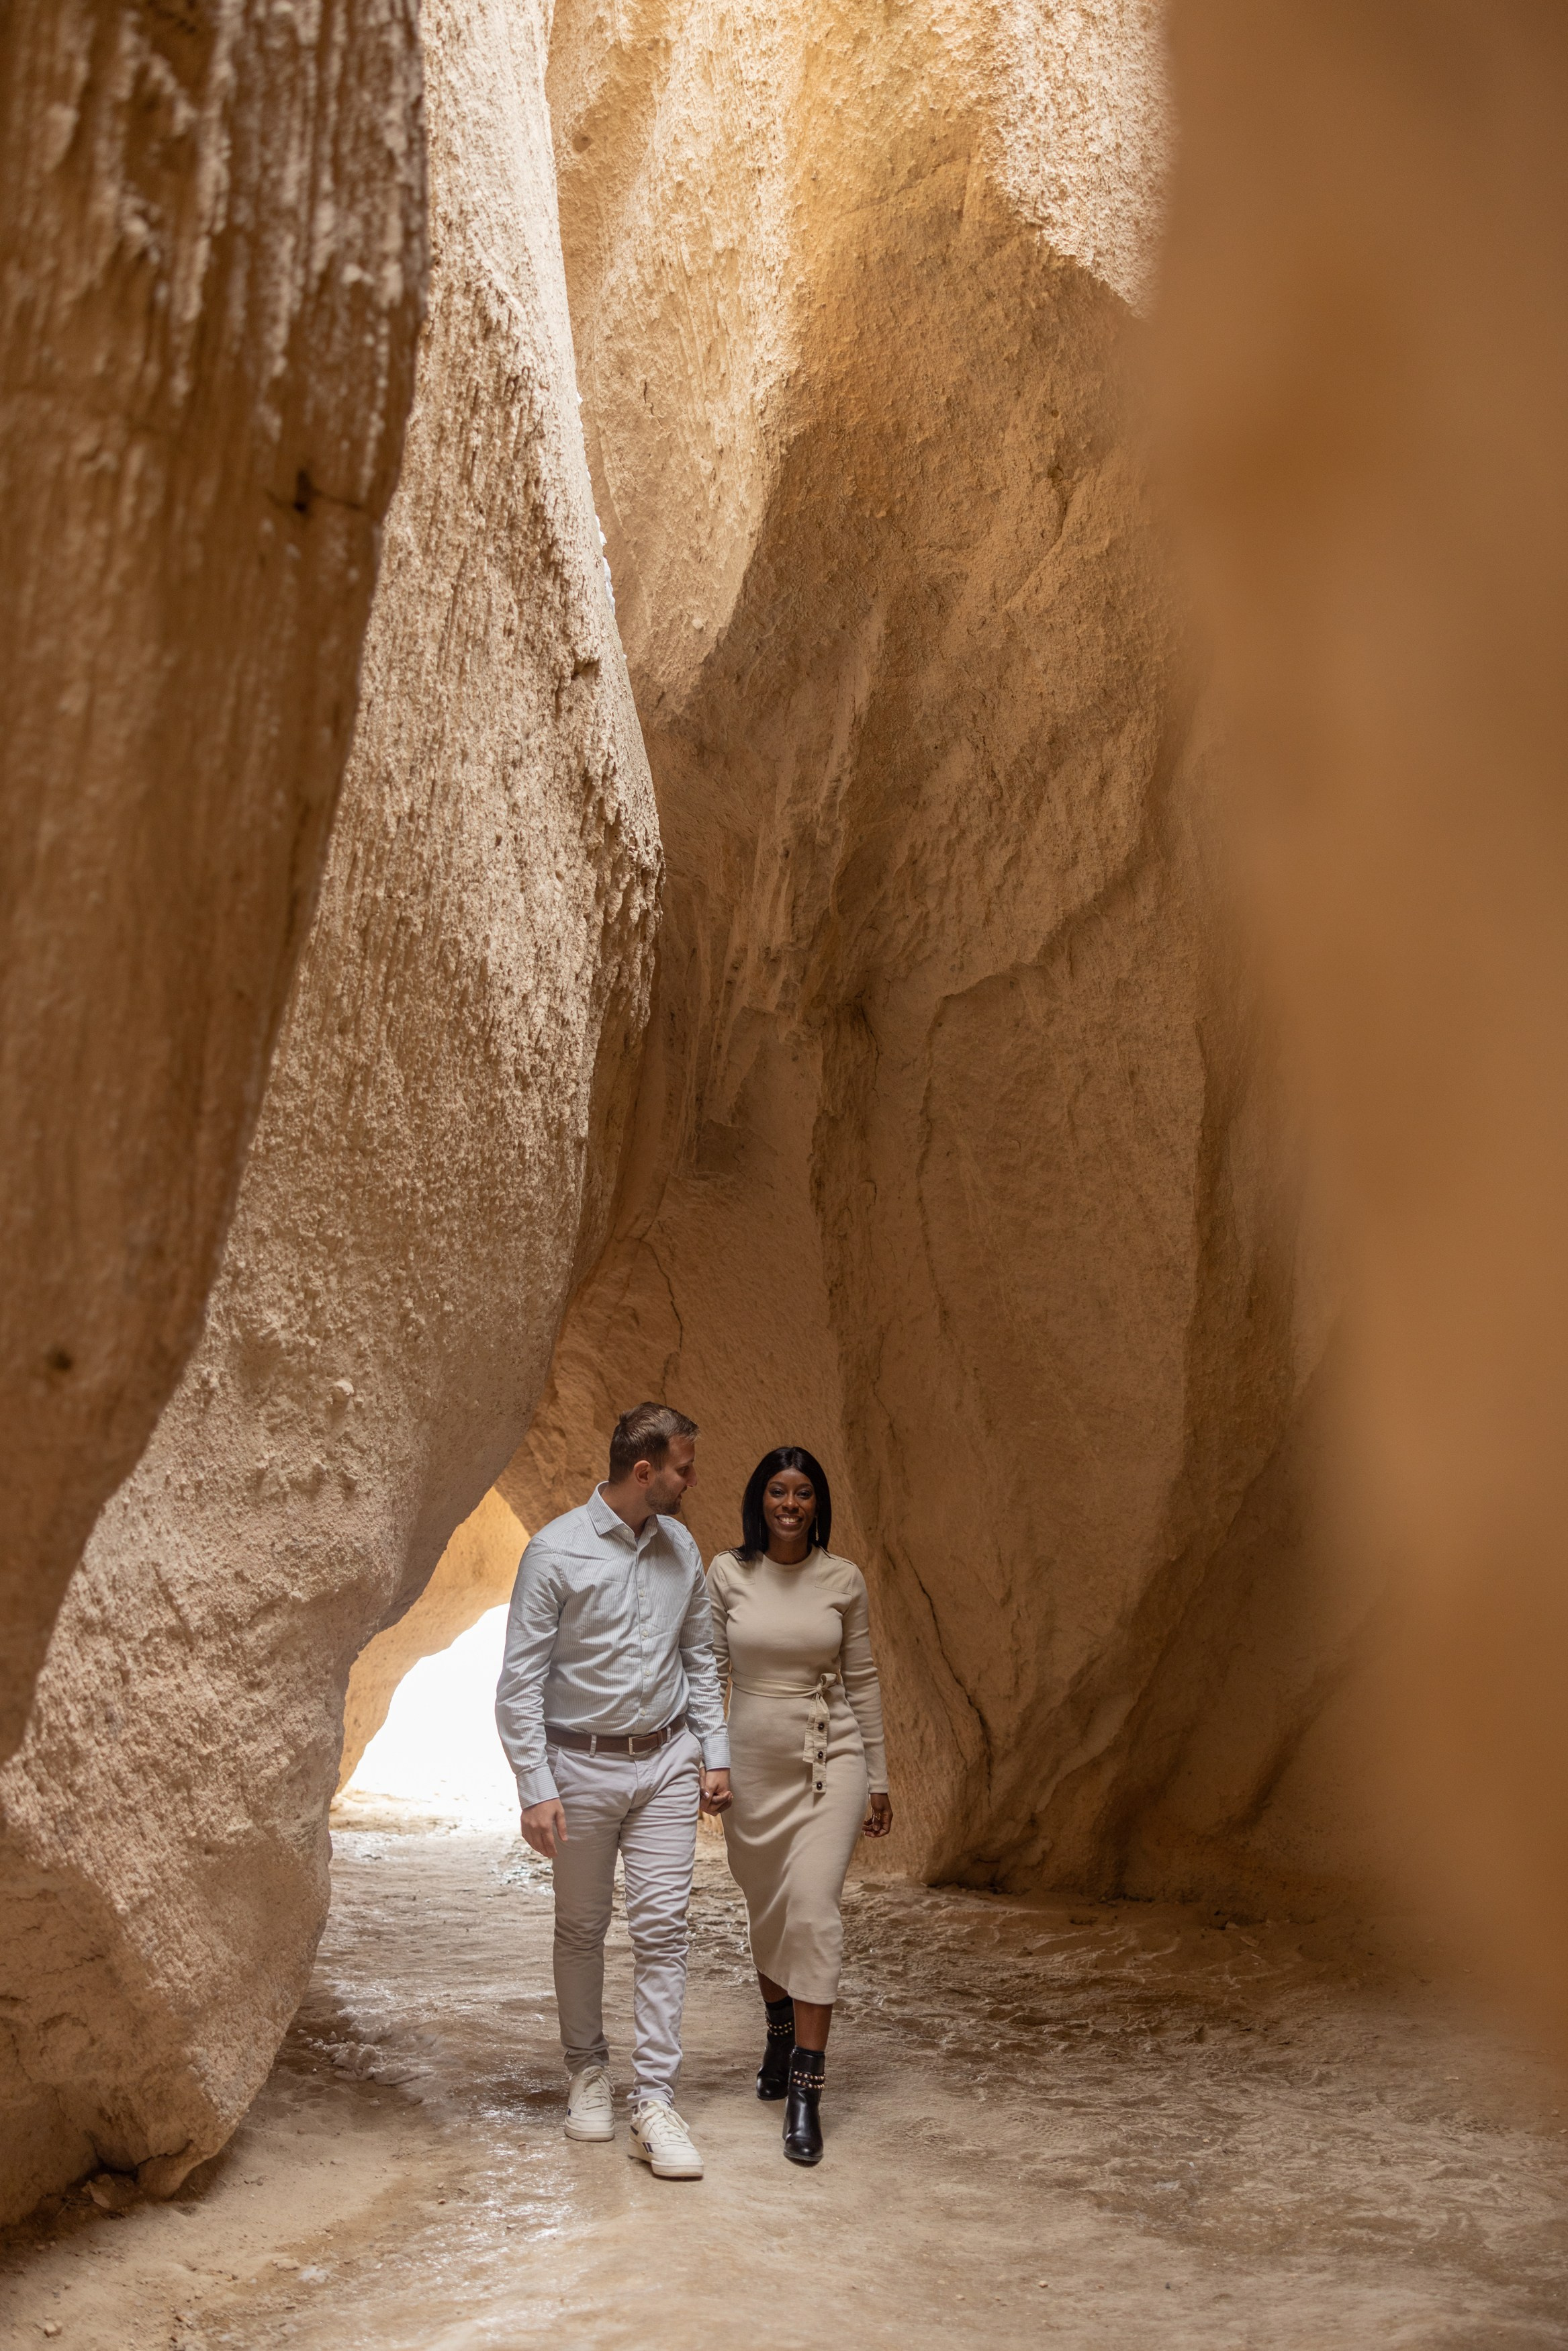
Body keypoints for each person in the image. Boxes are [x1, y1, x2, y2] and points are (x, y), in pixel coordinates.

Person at [494, 1403, 733, 2181]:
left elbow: (700, 1657)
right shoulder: (554, 1550)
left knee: (663, 1927)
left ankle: (655, 2100)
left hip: (666, 1762)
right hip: (579, 1767)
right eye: (683, 1469)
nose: (692, 1480)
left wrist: (714, 1751)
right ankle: (587, 2073)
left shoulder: (680, 1546)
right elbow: (519, 1682)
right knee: (581, 1926)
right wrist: (535, 1786)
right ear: (644, 1470)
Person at [707, 1446, 892, 2166]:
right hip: (752, 1767)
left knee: (812, 1910)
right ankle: (779, 2033)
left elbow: (863, 1678)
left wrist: (877, 1776)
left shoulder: (842, 1578)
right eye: (778, 1491)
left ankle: (806, 2093)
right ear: (760, 1498)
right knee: (769, 1908)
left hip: (828, 1758)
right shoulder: (728, 1572)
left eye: (804, 1493)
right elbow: (708, 1672)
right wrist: (709, 1761)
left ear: (819, 1505)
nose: (790, 1504)